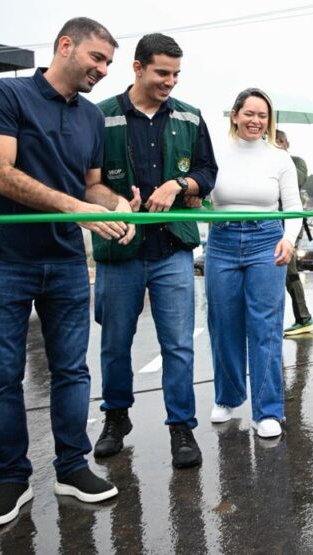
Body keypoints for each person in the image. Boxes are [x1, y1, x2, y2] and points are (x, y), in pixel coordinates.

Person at [0, 17, 129, 528]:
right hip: (2, 259)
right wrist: (79, 210)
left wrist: (114, 207)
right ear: (65, 46)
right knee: (1, 377)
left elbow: (90, 187)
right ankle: (11, 480)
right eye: (97, 59)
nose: (103, 71)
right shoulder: (4, 94)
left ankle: (71, 467)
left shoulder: (90, 117)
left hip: (64, 261)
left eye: (108, 63)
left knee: (72, 370)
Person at [91, 33, 217, 469]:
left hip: (173, 249)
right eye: (162, 72)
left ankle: (181, 428)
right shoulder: (100, 115)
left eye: (176, 74)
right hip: (118, 250)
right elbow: (85, 179)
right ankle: (115, 419)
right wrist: (116, 202)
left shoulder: (191, 117)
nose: (170, 82)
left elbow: (207, 173)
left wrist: (178, 185)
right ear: (138, 67)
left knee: (179, 345)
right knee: (114, 343)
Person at [207, 89, 301, 437]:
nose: (256, 121)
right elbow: (200, 192)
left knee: (266, 328)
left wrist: (288, 239)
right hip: (222, 241)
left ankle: (268, 411)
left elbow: (294, 207)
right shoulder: (215, 152)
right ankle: (228, 398)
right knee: (224, 323)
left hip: (266, 241)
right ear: (234, 115)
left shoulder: (279, 158)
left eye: (263, 116)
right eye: (249, 113)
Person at [276, 128, 313, 337]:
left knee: (288, 269)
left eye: (278, 141)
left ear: (286, 143)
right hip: (268, 223)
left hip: (290, 224)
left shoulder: (297, 162)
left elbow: (298, 181)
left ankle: (304, 318)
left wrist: (281, 157)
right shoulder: (263, 162)